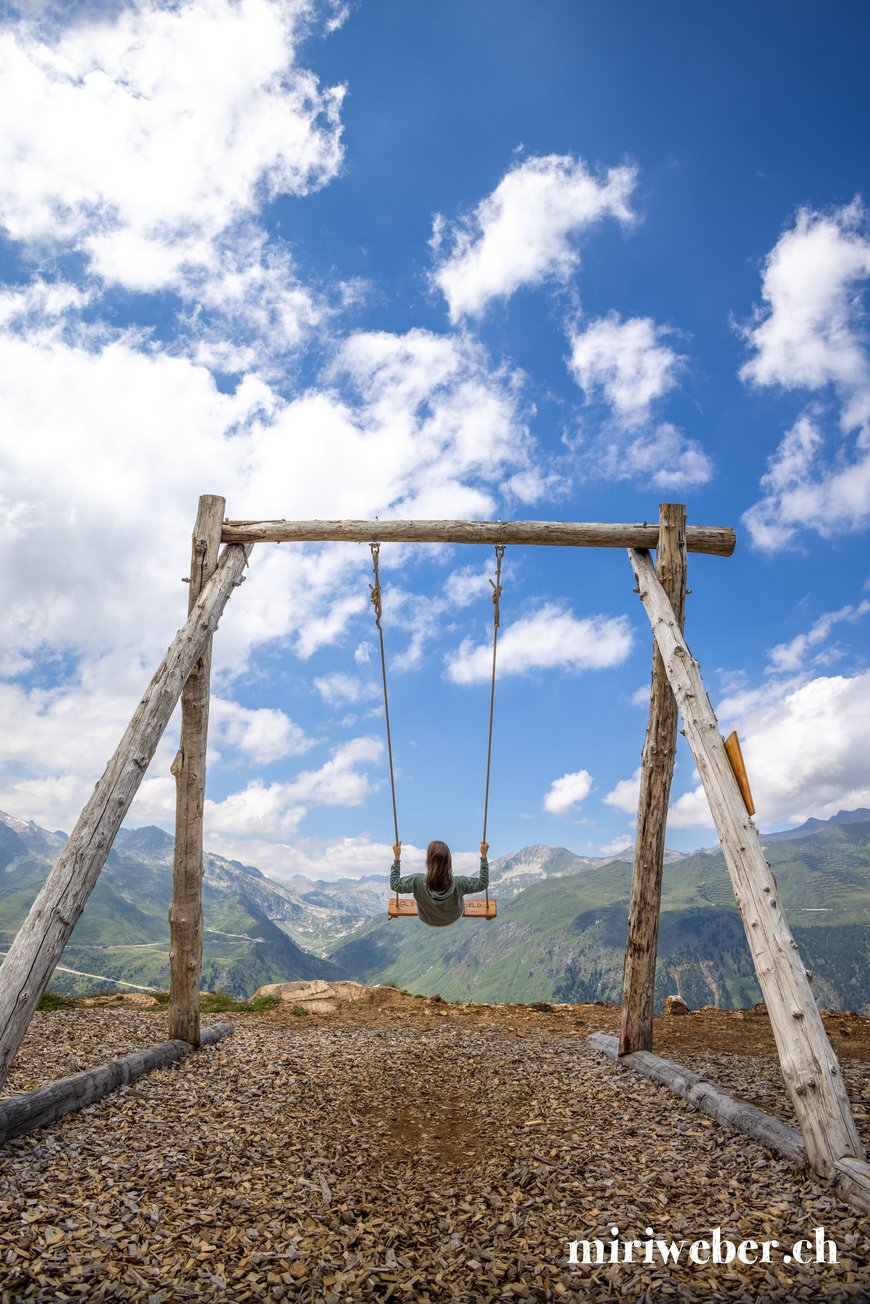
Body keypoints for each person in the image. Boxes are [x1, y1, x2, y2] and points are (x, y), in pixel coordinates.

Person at [390, 839, 489, 926]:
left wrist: (397, 858)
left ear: (428, 860)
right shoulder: (459, 883)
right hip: (453, 917)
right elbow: (482, 883)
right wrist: (483, 857)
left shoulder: (417, 881)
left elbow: (395, 884)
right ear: (448, 861)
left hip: (427, 919)